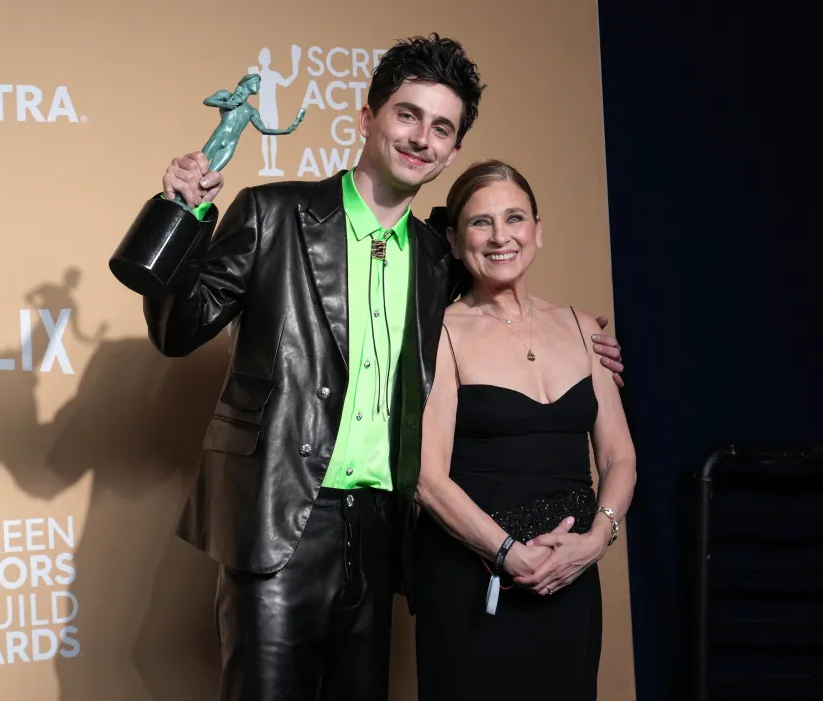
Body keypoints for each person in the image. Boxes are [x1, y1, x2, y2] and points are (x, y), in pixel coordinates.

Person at [125, 35, 625, 701]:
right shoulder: (273, 215)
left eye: (442, 127)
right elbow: (176, 329)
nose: (422, 137)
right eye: (408, 115)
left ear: (451, 151)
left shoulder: (438, 256)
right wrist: (180, 216)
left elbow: (496, 309)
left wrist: (583, 334)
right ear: (368, 118)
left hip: (384, 529)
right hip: (281, 519)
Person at [412, 159, 638, 700]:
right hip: (473, 578)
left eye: (514, 218)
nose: (500, 237)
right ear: (453, 237)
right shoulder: (439, 332)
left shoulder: (584, 329)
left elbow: (618, 459)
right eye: (480, 222)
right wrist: (508, 551)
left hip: (571, 573)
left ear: (538, 228)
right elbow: (425, 477)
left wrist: (593, 540)